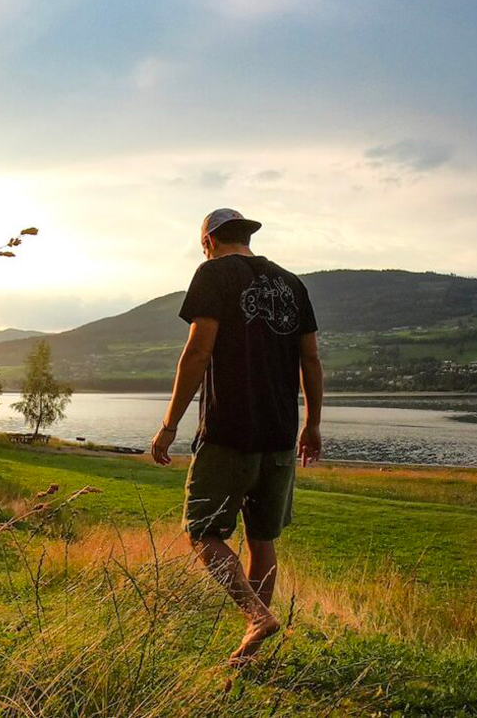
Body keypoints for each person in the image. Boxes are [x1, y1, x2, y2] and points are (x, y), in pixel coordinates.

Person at [151, 208, 323, 666]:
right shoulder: (293, 284)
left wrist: (169, 425)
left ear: (208, 240)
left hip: (229, 430)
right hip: (282, 433)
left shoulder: (213, 274)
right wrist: (313, 425)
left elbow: (198, 350)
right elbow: (311, 361)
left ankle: (255, 615)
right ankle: (251, 648)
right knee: (261, 538)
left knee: (203, 532)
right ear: (245, 236)